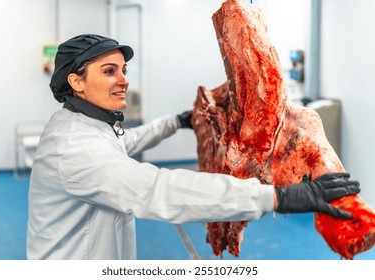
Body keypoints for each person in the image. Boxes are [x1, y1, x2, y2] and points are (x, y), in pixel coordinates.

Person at [26, 34, 360, 260]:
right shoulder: (74, 148)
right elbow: (156, 190)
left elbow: (125, 143)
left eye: (124, 70)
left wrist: (178, 120)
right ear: (76, 81)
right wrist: (275, 196)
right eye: (109, 71)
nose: (124, 79)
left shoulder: (83, 124)